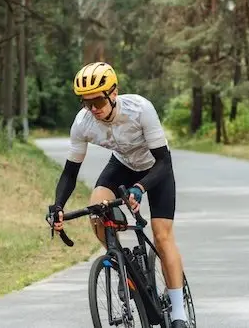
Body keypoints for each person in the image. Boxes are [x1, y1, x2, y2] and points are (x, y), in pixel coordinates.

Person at [50, 61, 189, 328]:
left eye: (98, 101)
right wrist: (58, 205)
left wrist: (141, 188)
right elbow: (70, 172)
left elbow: (163, 161)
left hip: (156, 168)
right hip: (122, 166)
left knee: (162, 236)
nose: (93, 109)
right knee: (96, 211)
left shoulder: (140, 109)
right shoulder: (82, 123)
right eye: (86, 103)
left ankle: (179, 313)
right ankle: (123, 265)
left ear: (113, 93)